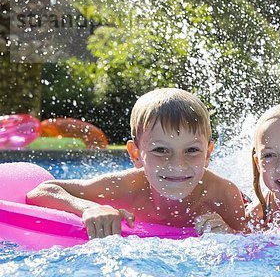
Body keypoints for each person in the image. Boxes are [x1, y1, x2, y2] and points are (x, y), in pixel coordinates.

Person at [27, 88, 246, 238]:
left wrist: (229, 234)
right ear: (136, 154)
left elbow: (253, 244)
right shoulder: (124, 189)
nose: (178, 164)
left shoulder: (222, 195)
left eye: (192, 150)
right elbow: (43, 191)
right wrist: (90, 208)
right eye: (161, 150)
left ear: (208, 154)